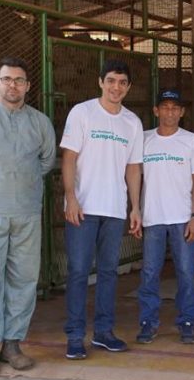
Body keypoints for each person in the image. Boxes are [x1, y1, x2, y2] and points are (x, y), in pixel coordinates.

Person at [0, 58, 56, 377]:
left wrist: (22, 183)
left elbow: (46, 161)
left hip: (26, 214)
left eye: (19, 80)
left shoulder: (39, 122)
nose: (13, 85)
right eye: (7, 79)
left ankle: (13, 344)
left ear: (28, 86)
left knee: (23, 280)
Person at [61, 59, 144, 360]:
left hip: (114, 208)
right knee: (80, 271)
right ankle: (74, 336)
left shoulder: (132, 122)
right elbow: (69, 158)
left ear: (128, 87)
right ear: (100, 82)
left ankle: (104, 333)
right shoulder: (82, 113)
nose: (116, 87)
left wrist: (135, 207)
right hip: (83, 208)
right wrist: (71, 197)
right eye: (111, 81)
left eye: (122, 82)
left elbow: (134, 169)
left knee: (109, 272)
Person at [136, 89, 194, 345]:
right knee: (149, 272)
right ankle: (148, 322)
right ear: (156, 111)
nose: (170, 112)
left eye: (175, 108)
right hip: (152, 217)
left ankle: (187, 321)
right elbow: (133, 175)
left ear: (182, 112)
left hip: (182, 218)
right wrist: (135, 209)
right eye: (164, 107)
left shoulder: (191, 141)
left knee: (186, 272)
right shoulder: (143, 139)